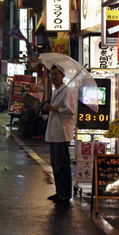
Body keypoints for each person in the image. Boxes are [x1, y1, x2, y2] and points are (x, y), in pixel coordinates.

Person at [43, 65, 77, 203]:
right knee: (55, 164)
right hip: (54, 133)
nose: (53, 77)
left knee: (62, 164)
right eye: (51, 74)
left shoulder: (67, 91)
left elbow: (70, 111)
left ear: (63, 75)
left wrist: (52, 108)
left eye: (56, 74)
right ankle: (59, 191)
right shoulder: (57, 91)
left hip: (61, 134)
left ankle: (65, 193)